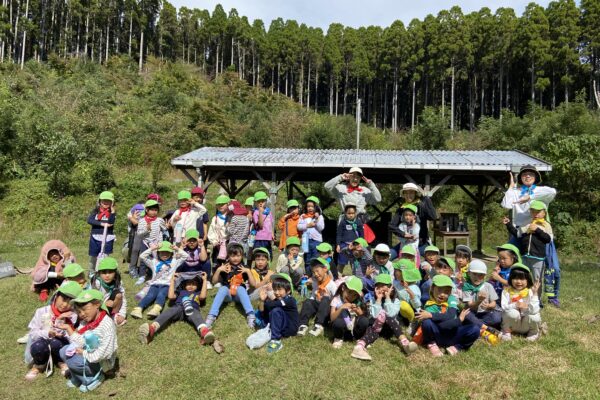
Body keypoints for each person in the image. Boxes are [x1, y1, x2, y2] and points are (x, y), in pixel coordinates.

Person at [58, 289, 118, 392]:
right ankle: (78, 376)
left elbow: (104, 353)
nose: (82, 314)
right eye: (79, 311)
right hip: (89, 353)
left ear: (97, 304)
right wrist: (69, 329)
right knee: (63, 351)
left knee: (72, 362)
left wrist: (83, 353)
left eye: (85, 309)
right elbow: (82, 341)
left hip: (102, 362)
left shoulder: (107, 325)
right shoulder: (86, 322)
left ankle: (93, 378)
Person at [138, 271, 218, 348]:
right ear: (184, 285)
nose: (191, 285)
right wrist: (172, 281)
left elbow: (203, 296)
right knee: (169, 312)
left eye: (193, 284)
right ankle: (152, 329)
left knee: (196, 316)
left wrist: (204, 281)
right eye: (188, 284)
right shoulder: (181, 292)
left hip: (192, 308)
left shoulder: (197, 293)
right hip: (179, 307)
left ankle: (204, 332)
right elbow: (171, 296)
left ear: (198, 286)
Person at [24, 281, 82, 381]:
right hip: (41, 343)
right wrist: (47, 333)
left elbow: (73, 337)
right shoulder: (41, 311)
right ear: (56, 295)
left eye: (70, 302)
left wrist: (63, 323)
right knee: (38, 346)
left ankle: (61, 362)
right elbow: (33, 333)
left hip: (59, 345)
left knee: (57, 343)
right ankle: (39, 364)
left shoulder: (73, 316)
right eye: (63, 299)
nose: (65, 305)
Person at [412, 275, 479, 357]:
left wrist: (432, 315)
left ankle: (457, 347)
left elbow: (450, 315)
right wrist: (459, 320)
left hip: (453, 334)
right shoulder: (430, 304)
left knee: (475, 329)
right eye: (439, 290)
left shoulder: (451, 299)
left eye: (446, 291)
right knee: (427, 322)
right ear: (432, 288)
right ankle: (431, 343)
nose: (442, 294)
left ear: (450, 292)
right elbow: (442, 325)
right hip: (438, 335)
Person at [504, 200, 552, 300]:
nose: (535, 214)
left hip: (538, 258)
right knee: (522, 277)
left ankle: (536, 300)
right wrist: (508, 224)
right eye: (533, 211)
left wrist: (537, 230)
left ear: (544, 213)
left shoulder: (546, 225)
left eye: (538, 212)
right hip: (525, 257)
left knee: (537, 280)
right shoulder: (527, 225)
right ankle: (521, 297)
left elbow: (548, 239)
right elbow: (517, 234)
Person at [351, 274, 404, 361]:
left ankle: (404, 341)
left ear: (391, 287)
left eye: (384, 286)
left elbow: (391, 314)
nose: (382, 288)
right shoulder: (373, 300)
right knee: (373, 325)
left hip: (389, 329)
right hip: (376, 328)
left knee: (386, 315)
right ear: (375, 288)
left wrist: (387, 298)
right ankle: (360, 346)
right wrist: (378, 300)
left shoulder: (396, 301)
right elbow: (375, 316)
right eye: (379, 286)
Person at [130, 241, 187, 319]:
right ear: (158, 253)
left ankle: (156, 309)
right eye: (162, 252)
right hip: (155, 284)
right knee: (150, 295)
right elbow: (142, 256)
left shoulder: (174, 262)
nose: (164, 254)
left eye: (167, 252)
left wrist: (177, 249)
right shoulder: (154, 262)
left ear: (171, 253)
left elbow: (185, 256)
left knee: (161, 294)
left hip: (167, 285)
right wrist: (153, 248)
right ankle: (138, 308)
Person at [205, 243, 257, 329]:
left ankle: (251, 315)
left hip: (238, 295)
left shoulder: (244, 267)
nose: (235, 258)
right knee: (223, 288)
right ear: (228, 256)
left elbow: (253, 284)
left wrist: (248, 271)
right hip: (228, 294)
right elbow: (214, 282)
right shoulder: (225, 267)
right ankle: (211, 316)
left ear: (242, 256)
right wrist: (218, 270)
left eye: (238, 256)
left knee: (240, 288)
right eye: (232, 256)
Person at [501, 165, 556, 238]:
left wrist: (530, 197)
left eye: (531, 174)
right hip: (521, 232)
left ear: (535, 177)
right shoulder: (516, 192)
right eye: (524, 174)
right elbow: (506, 205)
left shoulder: (541, 190)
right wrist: (511, 187)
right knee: (506, 249)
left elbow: (553, 192)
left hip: (540, 231)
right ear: (520, 178)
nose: (527, 176)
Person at [458, 260, 501, 345]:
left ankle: (476, 325)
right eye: (474, 274)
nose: (477, 277)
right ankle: (487, 328)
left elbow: (494, 303)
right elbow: (469, 305)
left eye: (480, 275)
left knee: (497, 317)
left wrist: (489, 306)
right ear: (469, 273)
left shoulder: (488, 286)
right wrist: (479, 301)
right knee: (466, 313)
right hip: (473, 312)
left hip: (485, 313)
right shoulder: (467, 286)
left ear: (485, 276)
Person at [389, 182, 437, 254]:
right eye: (406, 193)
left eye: (411, 192)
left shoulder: (421, 206)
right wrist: (403, 234)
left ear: (415, 194)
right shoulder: (401, 209)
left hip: (421, 244)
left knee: (434, 260)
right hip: (406, 243)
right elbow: (391, 226)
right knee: (389, 255)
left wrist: (427, 198)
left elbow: (433, 216)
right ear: (403, 195)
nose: (408, 195)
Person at [257, 273, 300, 353]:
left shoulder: (290, 300)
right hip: (281, 328)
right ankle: (271, 331)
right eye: (275, 289)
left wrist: (267, 303)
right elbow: (262, 312)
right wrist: (262, 300)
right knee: (268, 314)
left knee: (275, 310)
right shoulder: (276, 301)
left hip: (290, 329)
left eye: (279, 289)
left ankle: (276, 340)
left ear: (288, 291)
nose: (276, 292)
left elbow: (271, 305)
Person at [500, 263, 542, 341]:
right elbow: (503, 308)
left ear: (527, 280)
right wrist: (515, 305)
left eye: (522, 279)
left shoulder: (530, 292)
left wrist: (535, 293)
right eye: (515, 278)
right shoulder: (506, 291)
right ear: (511, 279)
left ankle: (533, 332)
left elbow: (534, 311)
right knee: (512, 313)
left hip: (525, 325)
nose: (519, 282)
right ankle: (506, 331)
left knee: (535, 316)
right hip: (512, 325)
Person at [130, 199, 168, 284]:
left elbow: (164, 229)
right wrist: (146, 230)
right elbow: (139, 234)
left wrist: (167, 227)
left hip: (158, 244)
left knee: (157, 259)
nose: (154, 212)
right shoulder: (142, 221)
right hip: (146, 243)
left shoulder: (159, 220)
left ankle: (157, 274)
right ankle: (142, 276)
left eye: (156, 210)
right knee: (144, 259)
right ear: (146, 210)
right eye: (152, 210)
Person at [297, 257, 337, 337]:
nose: (315, 274)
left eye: (317, 271)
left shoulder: (332, 285)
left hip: (327, 309)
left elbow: (336, 300)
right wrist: (310, 303)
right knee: (308, 301)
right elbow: (313, 296)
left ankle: (319, 325)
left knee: (325, 299)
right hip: (318, 304)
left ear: (325, 269)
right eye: (313, 272)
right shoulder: (315, 282)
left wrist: (327, 298)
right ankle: (303, 324)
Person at [392, 259, 422, 353]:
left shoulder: (414, 288)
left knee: (403, 305)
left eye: (397, 270)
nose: (395, 272)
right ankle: (399, 319)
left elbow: (417, 305)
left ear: (404, 273)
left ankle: (413, 321)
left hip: (412, 310)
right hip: (401, 311)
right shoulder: (396, 282)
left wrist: (411, 294)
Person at [329, 276, 368, 349]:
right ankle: (338, 338)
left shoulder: (357, 302)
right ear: (343, 288)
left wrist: (358, 311)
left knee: (365, 320)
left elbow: (362, 317)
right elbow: (332, 318)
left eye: (354, 295)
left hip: (354, 330)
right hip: (342, 331)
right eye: (349, 292)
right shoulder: (336, 300)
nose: (351, 297)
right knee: (338, 322)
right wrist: (341, 307)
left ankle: (359, 338)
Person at [87, 191, 116, 276]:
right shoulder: (95, 211)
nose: (106, 203)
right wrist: (101, 224)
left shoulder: (112, 213)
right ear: (100, 201)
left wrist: (113, 213)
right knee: (93, 256)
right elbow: (90, 220)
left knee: (106, 256)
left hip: (108, 237)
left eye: (108, 201)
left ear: (112, 202)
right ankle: (91, 271)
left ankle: (103, 272)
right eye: (104, 201)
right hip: (95, 236)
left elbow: (111, 222)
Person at [91, 257, 127, 326]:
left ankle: (114, 315)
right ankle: (105, 318)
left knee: (119, 295)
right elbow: (93, 300)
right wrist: (104, 304)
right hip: (98, 306)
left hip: (110, 305)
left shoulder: (118, 282)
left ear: (115, 273)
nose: (107, 275)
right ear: (99, 273)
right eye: (104, 272)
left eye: (110, 272)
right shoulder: (96, 283)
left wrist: (122, 314)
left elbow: (123, 299)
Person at [297, 196, 325, 270]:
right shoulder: (303, 216)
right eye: (308, 206)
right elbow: (299, 227)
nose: (310, 208)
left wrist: (317, 219)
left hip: (316, 240)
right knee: (307, 258)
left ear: (316, 207)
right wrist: (308, 225)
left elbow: (321, 228)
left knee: (315, 257)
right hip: (305, 240)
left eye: (312, 206)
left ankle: (314, 273)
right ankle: (307, 274)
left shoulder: (320, 217)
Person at [336, 203, 364, 268]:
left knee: (354, 263)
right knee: (341, 263)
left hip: (355, 246)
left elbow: (361, 235)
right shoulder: (343, 222)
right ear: (345, 213)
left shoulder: (358, 222)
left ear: (355, 213)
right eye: (349, 213)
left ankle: (355, 276)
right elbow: (339, 234)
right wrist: (338, 245)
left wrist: (361, 244)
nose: (351, 215)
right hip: (344, 245)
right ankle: (338, 276)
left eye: (353, 213)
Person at [207, 194, 231, 269]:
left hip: (228, 243)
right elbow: (211, 230)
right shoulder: (215, 218)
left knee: (229, 262)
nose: (220, 206)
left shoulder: (231, 217)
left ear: (228, 205)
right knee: (217, 263)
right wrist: (213, 241)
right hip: (217, 244)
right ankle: (216, 277)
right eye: (219, 204)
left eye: (223, 204)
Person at [252, 191, 274, 257]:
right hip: (260, 238)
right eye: (258, 201)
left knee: (268, 255)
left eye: (263, 201)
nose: (261, 203)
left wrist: (272, 233)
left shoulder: (268, 212)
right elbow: (260, 225)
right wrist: (261, 213)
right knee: (260, 255)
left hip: (267, 238)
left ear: (266, 201)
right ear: (255, 202)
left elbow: (270, 224)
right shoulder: (256, 213)